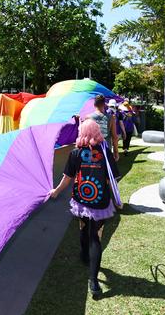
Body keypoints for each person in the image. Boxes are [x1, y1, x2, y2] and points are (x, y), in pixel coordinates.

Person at [48, 119, 121, 298]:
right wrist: (118, 200)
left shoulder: (76, 153)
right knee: (95, 237)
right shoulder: (105, 152)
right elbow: (111, 179)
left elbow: (67, 178)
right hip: (100, 200)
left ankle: (83, 254)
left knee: (84, 226)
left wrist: (56, 191)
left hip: (82, 199)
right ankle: (94, 282)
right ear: (97, 132)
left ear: (81, 132)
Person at [88, 95, 120, 161]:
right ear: (104, 104)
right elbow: (114, 137)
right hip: (106, 149)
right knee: (106, 170)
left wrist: (79, 120)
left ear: (94, 104)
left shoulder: (88, 117)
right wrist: (116, 152)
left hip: (92, 150)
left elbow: (85, 135)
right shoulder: (111, 118)